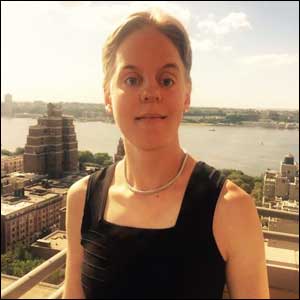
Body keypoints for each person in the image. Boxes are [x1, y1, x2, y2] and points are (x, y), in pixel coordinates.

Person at [63, 9, 270, 299]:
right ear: (108, 96)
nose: (151, 92)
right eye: (132, 79)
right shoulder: (82, 199)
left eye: (167, 80)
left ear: (187, 94)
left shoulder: (232, 209)